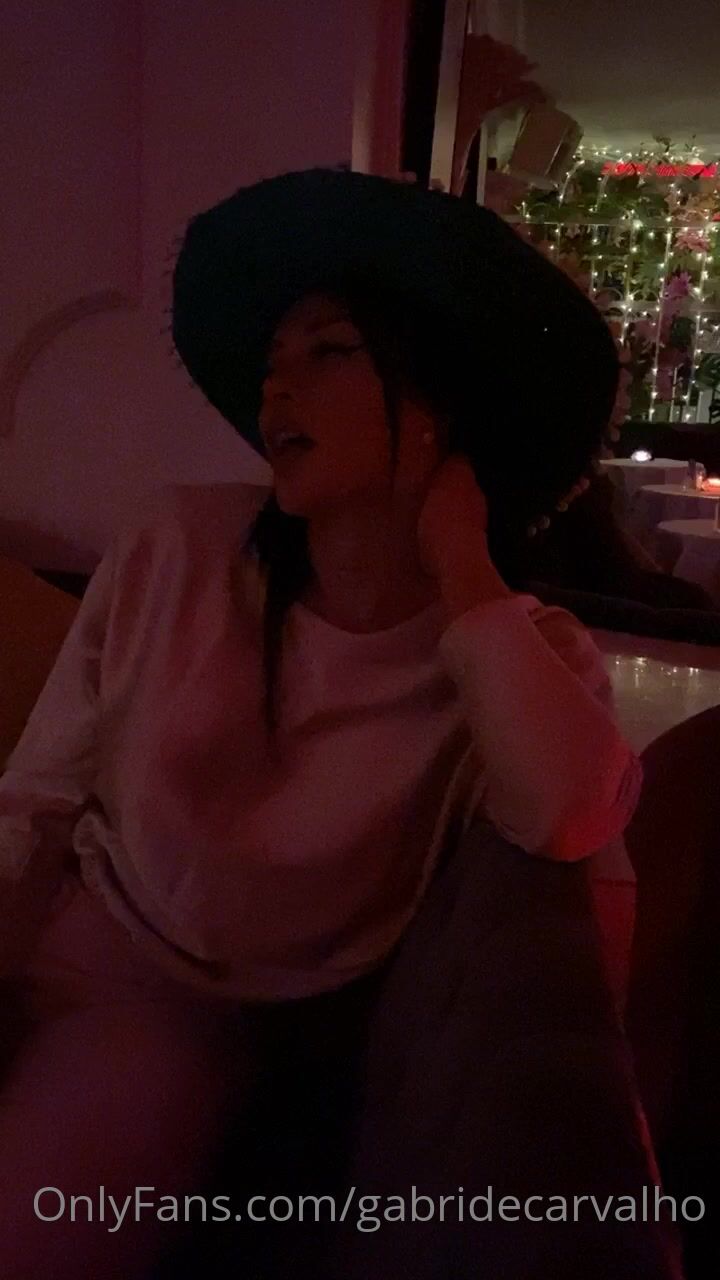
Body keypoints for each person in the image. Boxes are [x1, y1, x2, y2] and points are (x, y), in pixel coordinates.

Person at [0, 169, 642, 1278]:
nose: (276, 386)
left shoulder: (513, 651)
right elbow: (37, 798)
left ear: (437, 405)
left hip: (189, 1031)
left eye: (330, 351)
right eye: (272, 361)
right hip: (60, 953)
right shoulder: (178, 544)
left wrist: (462, 564)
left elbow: (570, 809)